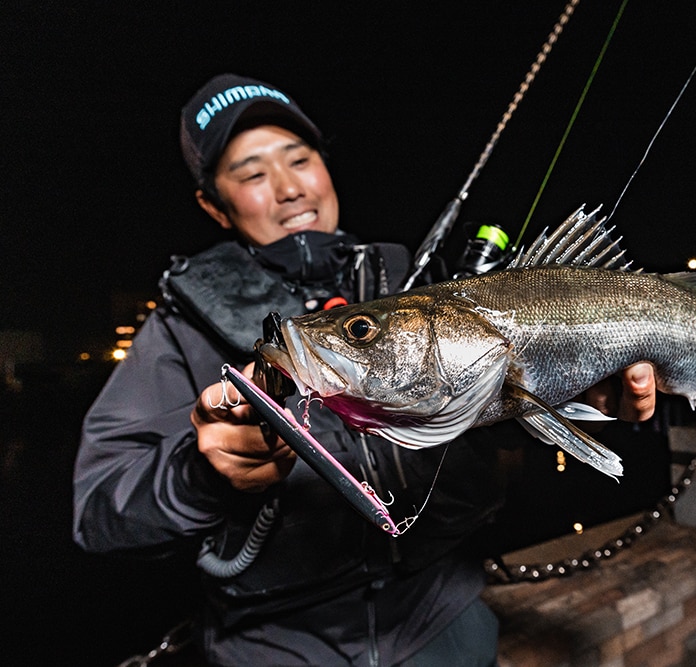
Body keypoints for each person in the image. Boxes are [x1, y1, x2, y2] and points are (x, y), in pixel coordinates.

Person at [73, 73, 656, 666]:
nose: (287, 189)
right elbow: (98, 513)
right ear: (213, 205)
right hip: (277, 649)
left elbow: (502, 440)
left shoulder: (414, 284)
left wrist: (572, 396)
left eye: (299, 160)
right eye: (251, 174)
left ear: (325, 166)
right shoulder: (179, 328)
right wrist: (201, 473)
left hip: (445, 621)